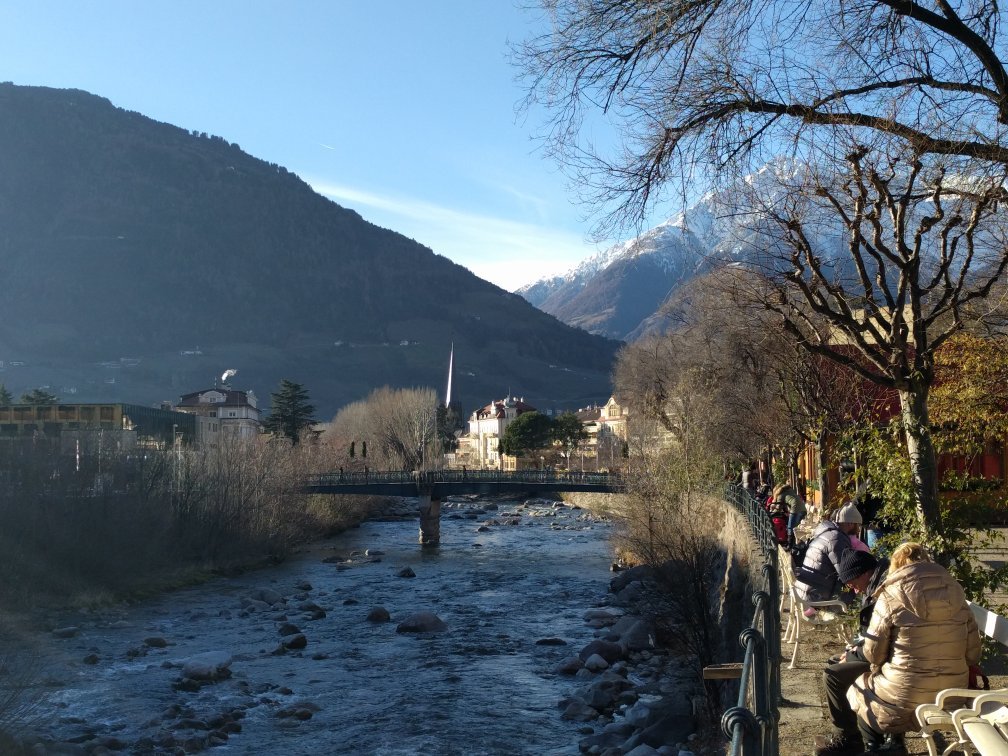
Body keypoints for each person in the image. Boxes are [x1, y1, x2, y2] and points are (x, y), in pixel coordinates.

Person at [848, 543, 979, 754]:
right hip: (953, 692)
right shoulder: (955, 592)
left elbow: (873, 654)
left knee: (859, 688)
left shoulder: (890, 595)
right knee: (893, 682)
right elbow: (973, 655)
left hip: (904, 694)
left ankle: (878, 747)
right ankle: (893, 743)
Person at [814, 549, 890, 755]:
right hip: (887, 654)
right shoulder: (877, 586)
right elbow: (874, 634)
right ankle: (847, 733)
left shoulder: (883, 592)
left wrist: (852, 653)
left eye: (852, 582)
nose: (852, 589)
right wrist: (855, 646)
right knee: (833, 663)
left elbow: (879, 643)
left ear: (865, 573)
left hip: (890, 660)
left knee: (832, 676)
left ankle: (848, 738)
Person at [794, 501, 862, 603]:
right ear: (851, 524)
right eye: (858, 525)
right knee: (859, 600)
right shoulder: (837, 539)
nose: (859, 529)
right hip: (814, 595)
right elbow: (845, 573)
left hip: (805, 588)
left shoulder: (826, 532)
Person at [773, 481, 807, 546]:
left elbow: (778, 508)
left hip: (795, 509)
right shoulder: (790, 490)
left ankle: (790, 545)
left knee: (790, 527)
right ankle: (799, 545)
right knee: (798, 529)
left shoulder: (780, 495)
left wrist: (771, 513)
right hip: (803, 509)